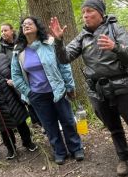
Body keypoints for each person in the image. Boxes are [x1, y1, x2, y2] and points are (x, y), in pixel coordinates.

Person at [50, 0, 128, 177]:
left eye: (90, 11)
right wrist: (58, 41)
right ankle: (123, 157)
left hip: (123, 87)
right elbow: (64, 58)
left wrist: (115, 48)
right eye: (83, 12)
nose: (86, 15)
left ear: (101, 13)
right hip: (98, 90)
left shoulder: (116, 29)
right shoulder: (83, 36)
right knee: (113, 127)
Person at [12, 16, 84, 165]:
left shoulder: (49, 43)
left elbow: (64, 65)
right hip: (37, 95)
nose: (26, 26)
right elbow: (16, 75)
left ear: (37, 26)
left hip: (58, 90)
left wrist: (69, 86)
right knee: (49, 125)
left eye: (30, 23)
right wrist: (29, 93)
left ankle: (76, 149)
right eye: (23, 24)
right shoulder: (18, 51)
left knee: (68, 121)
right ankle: (59, 151)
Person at [0, 23, 42, 127]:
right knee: (28, 102)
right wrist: (10, 80)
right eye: (2, 31)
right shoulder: (1, 50)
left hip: (30, 75)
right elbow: (1, 67)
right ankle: (41, 124)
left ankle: (46, 121)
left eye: (5, 30)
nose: (3, 33)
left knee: (38, 99)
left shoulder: (21, 41)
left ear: (12, 31)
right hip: (16, 80)